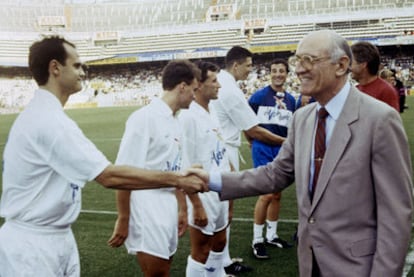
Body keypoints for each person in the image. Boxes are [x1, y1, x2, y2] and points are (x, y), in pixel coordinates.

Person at [190, 30, 413, 276]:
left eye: (309, 60)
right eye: (298, 61)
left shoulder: (380, 119)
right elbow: (275, 174)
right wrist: (210, 180)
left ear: (341, 65)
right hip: (309, 263)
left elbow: (396, 212)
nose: (298, 69)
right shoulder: (303, 119)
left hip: (357, 267)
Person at [0, 36, 206, 277]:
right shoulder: (47, 120)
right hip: (33, 246)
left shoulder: (49, 116)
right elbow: (109, 176)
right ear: (55, 67)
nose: (83, 72)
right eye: (76, 65)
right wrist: (178, 180)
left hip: (55, 235)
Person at [108, 59, 201, 277]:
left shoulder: (175, 121)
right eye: (194, 90)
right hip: (146, 206)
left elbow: (175, 171)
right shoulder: (143, 118)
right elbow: (122, 173)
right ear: (182, 86)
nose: (195, 96)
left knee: (164, 270)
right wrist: (123, 218)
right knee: (157, 274)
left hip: (166, 205)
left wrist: (181, 208)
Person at [210, 46, 285, 275]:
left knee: (223, 211)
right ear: (236, 65)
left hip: (218, 148)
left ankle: (223, 260)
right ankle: (219, 265)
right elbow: (254, 130)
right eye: (248, 65)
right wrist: (288, 142)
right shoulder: (229, 89)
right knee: (223, 212)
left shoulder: (223, 82)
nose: (250, 70)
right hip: (224, 151)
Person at [179, 61, 230, 276]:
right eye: (214, 81)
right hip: (203, 193)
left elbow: (220, 151)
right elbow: (186, 166)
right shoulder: (188, 116)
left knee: (219, 242)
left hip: (221, 188)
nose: (218, 85)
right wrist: (196, 204)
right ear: (198, 85)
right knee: (201, 250)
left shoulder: (212, 110)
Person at [247, 59, 296, 259]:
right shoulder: (258, 97)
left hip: (281, 150)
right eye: (274, 70)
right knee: (266, 194)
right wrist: (251, 142)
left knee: (276, 194)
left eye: (281, 71)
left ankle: (272, 235)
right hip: (263, 148)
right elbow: (247, 123)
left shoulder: (292, 100)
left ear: (286, 74)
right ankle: (257, 240)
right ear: (270, 73)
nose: (278, 74)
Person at [350, 41, 399, 111]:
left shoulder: (386, 91)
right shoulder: (355, 90)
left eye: (351, 63)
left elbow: (391, 120)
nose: (349, 67)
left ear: (363, 65)